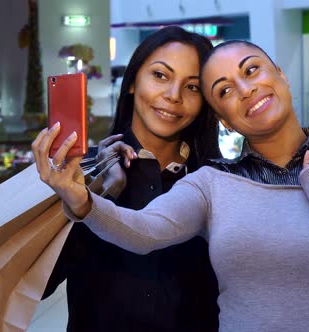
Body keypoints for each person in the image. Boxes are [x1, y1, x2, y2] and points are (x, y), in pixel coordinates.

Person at [33, 40, 309, 331]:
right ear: (224, 121)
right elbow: (144, 231)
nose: (245, 90)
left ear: (281, 75)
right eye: (224, 90)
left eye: (252, 70)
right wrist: (82, 200)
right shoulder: (214, 181)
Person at [40, 26, 221, 332]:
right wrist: (99, 194)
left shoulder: (217, 181)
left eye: (192, 87)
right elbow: (39, 286)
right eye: (160, 75)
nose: (173, 96)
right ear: (133, 82)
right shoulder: (78, 171)